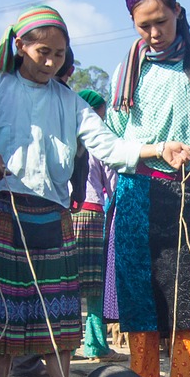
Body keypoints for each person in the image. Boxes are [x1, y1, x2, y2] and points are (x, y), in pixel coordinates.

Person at [0, 4, 190, 377]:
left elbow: (108, 145)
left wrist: (157, 150)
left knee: (58, 313)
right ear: (20, 46)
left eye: (60, 54)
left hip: (51, 213)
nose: (51, 62)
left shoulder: (69, 101)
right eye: (43, 52)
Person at [102, 0, 190, 377]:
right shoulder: (126, 73)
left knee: (189, 301)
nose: (154, 33)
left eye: (161, 22)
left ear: (178, 12)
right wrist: (153, 150)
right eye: (143, 26)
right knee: (142, 299)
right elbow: (111, 140)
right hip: (138, 195)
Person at [72, 88, 119, 363]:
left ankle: (65, 342)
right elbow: (112, 183)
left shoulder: (66, 137)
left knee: (68, 283)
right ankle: (96, 345)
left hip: (67, 212)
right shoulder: (98, 142)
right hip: (91, 214)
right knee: (95, 288)